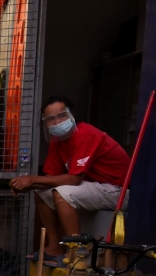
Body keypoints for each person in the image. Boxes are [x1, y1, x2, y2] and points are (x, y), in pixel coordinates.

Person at [10, 96, 130, 266]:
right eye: (51, 119)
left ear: (72, 114)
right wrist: (28, 185)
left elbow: (74, 179)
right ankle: (54, 247)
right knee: (41, 191)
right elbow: (50, 178)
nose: (57, 122)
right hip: (95, 187)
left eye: (62, 116)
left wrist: (32, 179)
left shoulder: (86, 134)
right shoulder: (57, 141)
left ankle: (76, 251)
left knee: (62, 193)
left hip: (119, 190)